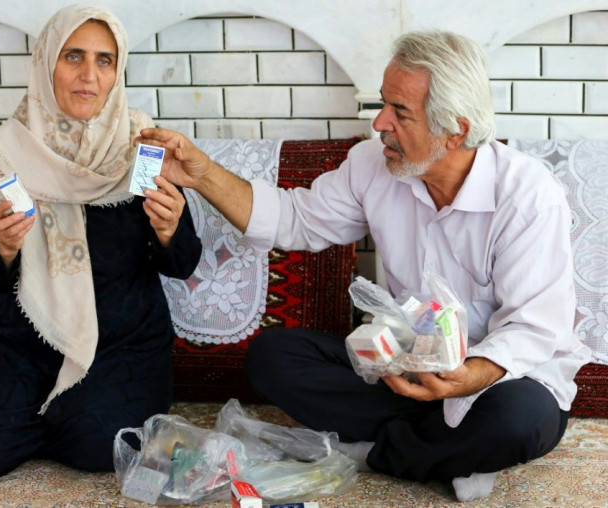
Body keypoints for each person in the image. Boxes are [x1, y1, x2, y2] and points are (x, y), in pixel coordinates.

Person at [136, 30, 592, 502]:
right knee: (273, 358)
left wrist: (465, 377)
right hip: (405, 368)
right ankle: (449, 451)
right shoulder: (373, 165)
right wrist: (203, 173)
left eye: (400, 112)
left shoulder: (527, 194)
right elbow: (295, 220)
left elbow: (535, 327)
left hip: (497, 380)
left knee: (518, 422)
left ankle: (375, 454)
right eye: (383, 104)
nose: (379, 123)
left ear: (454, 130)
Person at [0, 4, 201, 479]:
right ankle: (38, 415)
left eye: (104, 60)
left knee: (101, 447)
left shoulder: (141, 144)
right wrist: (5, 247)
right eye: (73, 57)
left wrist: (169, 229)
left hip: (121, 345)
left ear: (118, 71)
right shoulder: (3, 153)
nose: (88, 75)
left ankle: (58, 416)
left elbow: (182, 262)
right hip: (20, 344)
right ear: (46, 61)